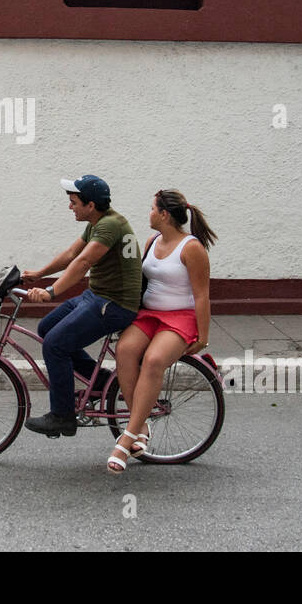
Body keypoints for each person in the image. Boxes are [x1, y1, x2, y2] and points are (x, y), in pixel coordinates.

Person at [22, 174, 142, 437]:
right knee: (47, 327)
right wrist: (40, 274)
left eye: (74, 202)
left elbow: (83, 263)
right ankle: (100, 382)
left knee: (55, 344)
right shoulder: (99, 222)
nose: (70, 207)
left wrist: (51, 292)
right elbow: (70, 255)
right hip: (97, 296)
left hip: (114, 304)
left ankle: (62, 416)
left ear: (91, 205)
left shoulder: (110, 225)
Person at [107, 189, 216, 473]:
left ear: (164, 215)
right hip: (150, 314)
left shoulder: (191, 248)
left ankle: (126, 439)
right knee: (125, 351)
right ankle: (140, 425)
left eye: (152, 209)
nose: (149, 213)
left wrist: (203, 336)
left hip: (180, 318)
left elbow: (202, 295)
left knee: (154, 360)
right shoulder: (152, 241)